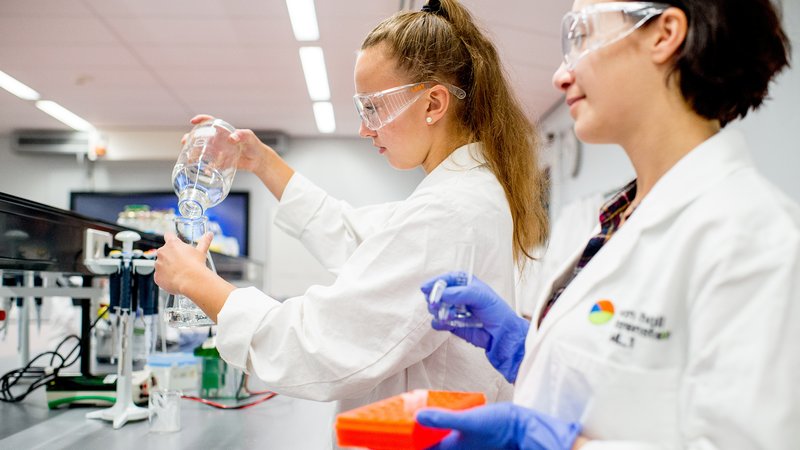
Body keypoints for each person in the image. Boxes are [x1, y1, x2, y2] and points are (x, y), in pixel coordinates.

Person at [416, 0, 799, 448]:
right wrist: (526, 350)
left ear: (664, 34)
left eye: (579, 36)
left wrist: (561, 446)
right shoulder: (596, 222)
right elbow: (623, 401)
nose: (561, 75)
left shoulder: (756, 240)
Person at [154, 0, 548, 416]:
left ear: (433, 104)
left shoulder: (451, 211)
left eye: (372, 107)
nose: (364, 128)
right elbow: (356, 238)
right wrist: (260, 161)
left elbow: (320, 344)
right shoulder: (461, 194)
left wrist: (197, 283)